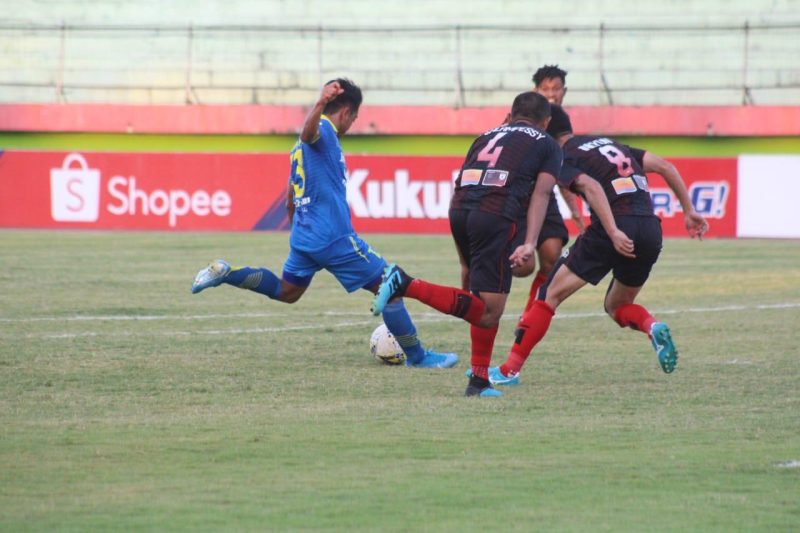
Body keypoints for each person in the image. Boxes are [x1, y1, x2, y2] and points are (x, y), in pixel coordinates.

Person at [191, 78, 458, 369]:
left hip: (306, 236)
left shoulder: (298, 149)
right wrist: (319, 102)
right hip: (333, 237)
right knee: (391, 285)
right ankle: (418, 358)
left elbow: (290, 198)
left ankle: (226, 273)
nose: (352, 125)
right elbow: (308, 134)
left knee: (287, 292)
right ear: (345, 112)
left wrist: (300, 231)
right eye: (354, 118)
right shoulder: (325, 132)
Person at [483, 117, 709, 386]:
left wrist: (613, 231)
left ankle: (509, 371)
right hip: (650, 229)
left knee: (548, 295)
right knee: (618, 306)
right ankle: (651, 326)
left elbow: (590, 186)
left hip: (614, 227)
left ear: (546, 133)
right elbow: (664, 166)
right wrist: (689, 210)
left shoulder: (562, 155)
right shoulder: (614, 146)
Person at [371, 91, 563, 397]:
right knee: (489, 312)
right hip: (495, 214)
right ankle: (404, 283)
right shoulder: (547, 143)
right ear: (547, 121)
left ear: (510, 115)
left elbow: (462, 180)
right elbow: (541, 194)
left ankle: (478, 381)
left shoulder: (485, 135)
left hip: (460, 209)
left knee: (480, 303)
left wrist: (465, 260)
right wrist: (529, 242)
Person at [525, 64, 587, 308]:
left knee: (551, 257)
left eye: (556, 89)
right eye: (545, 89)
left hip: (543, 195)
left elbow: (562, 167)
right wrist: (576, 211)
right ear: (536, 90)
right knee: (521, 265)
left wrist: (573, 209)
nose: (551, 94)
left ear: (565, 91)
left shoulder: (557, 117)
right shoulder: (539, 113)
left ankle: (528, 316)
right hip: (517, 194)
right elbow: (567, 163)